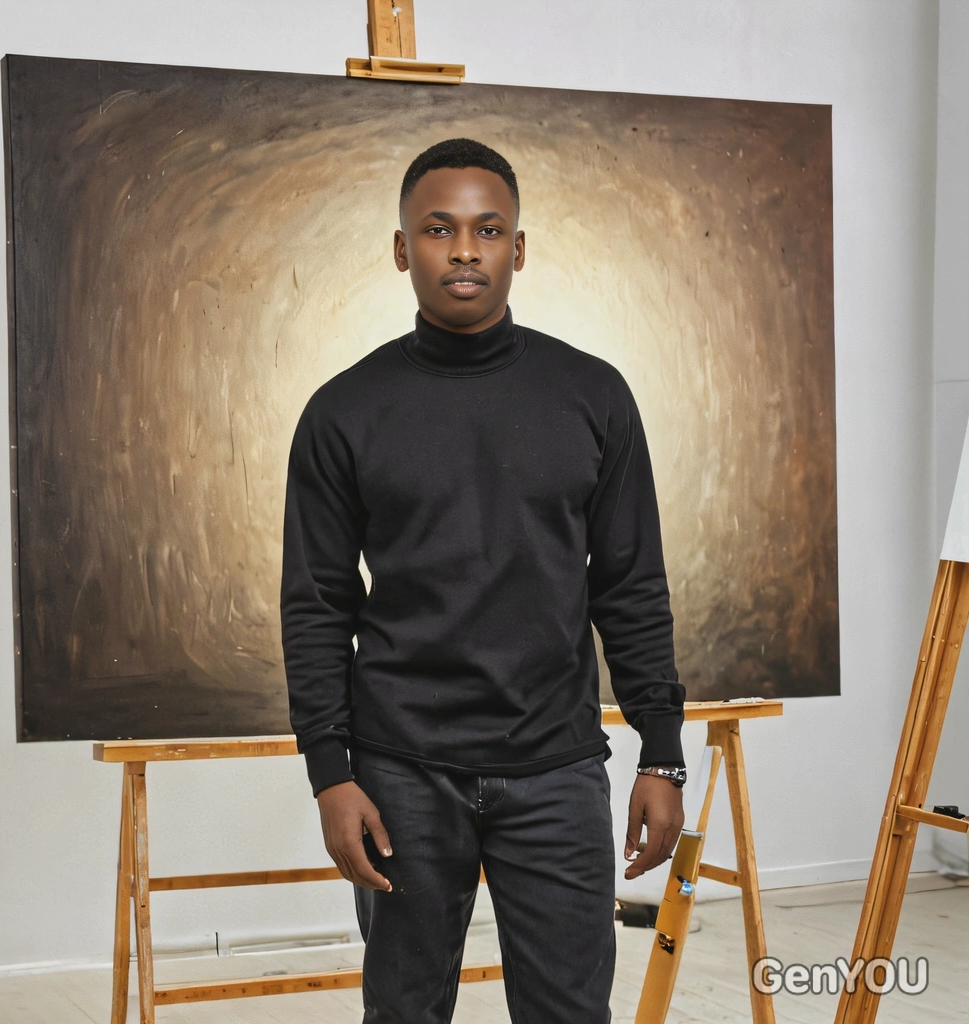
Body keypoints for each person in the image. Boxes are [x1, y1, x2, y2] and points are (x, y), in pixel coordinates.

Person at [280, 137, 686, 1024]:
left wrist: (661, 748)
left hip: (556, 770)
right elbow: (315, 603)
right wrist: (329, 772)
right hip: (399, 777)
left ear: (518, 249)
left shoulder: (594, 395)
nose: (464, 248)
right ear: (401, 249)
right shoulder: (343, 411)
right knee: (404, 1012)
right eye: (438, 228)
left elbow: (630, 584)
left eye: (487, 229)